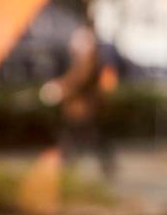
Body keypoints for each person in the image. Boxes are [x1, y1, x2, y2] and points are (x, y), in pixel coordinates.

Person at [41, 24, 117, 180]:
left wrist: (60, 89)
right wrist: (59, 86)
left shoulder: (90, 61)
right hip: (79, 109)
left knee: (86, 138)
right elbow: (72, 78)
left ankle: (72, 165)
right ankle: (71, 164)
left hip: (85, 109)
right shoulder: (82, 60)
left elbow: (78, 81)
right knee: (77, 138)